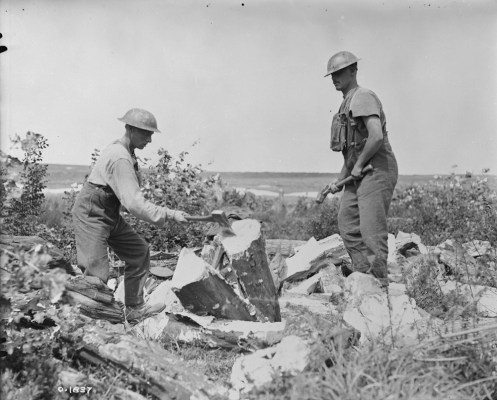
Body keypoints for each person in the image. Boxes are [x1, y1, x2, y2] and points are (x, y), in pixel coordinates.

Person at [72, 108, 189, 321]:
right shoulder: (119, 157)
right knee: (96, 274)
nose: (150, 139)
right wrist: (170, 214)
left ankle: (134, 308)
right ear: (131, 129)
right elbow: (134, 203)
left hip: (108, 214)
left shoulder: (127, 153)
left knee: (139, 252)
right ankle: (94, 322)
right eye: (146, 133)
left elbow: (126, 199)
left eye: (151, 134)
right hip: (91, 215)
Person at [325, 51, 398, 284]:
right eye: (332, 74)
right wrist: (338, 181)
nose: (335, 77)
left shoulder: (363, 96)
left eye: (339, 72)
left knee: (371, 230)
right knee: (347, 224)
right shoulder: (344, 105)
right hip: (360, 172)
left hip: (376, 170)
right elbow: (351, 154)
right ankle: (365, 278)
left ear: (353, 71)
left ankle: (379, 287)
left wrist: (357, 166)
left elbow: (375, 136)